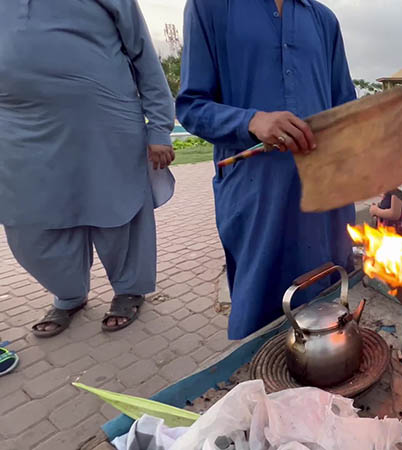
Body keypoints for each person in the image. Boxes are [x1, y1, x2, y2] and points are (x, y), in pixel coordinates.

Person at [176, 0, 357, 340]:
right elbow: (191, 106)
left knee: (330, 305)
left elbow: (345, 107)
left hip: (324, 195)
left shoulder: (323, 20)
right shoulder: (210, 7)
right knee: (261, 313)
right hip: (257, 193)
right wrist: (251, 121)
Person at [0, 0, 175, 337]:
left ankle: (128, 290)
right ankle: (68, 294)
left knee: (118, 210)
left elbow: (142, 53)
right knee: (29, 222)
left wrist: (159, 127)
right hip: (19, 130)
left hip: (105, 120)